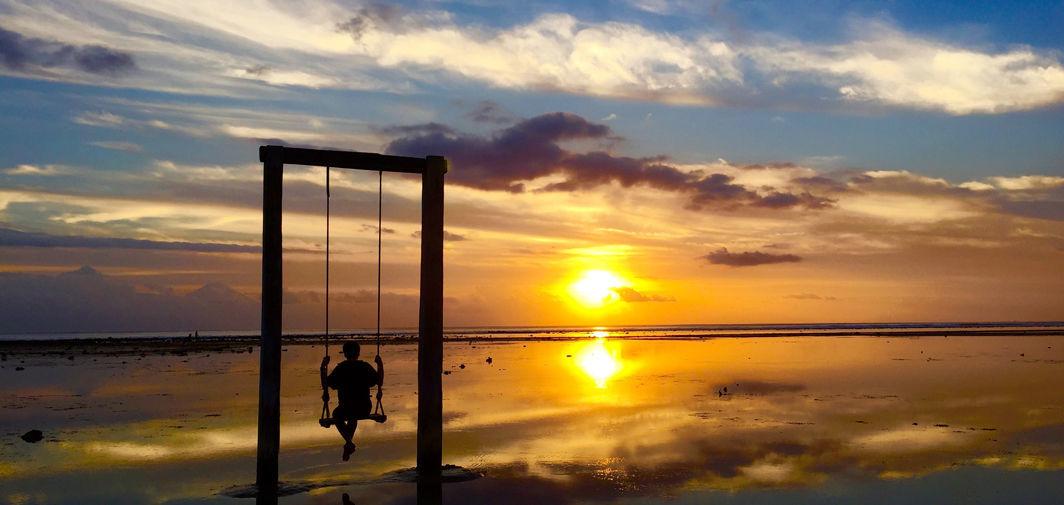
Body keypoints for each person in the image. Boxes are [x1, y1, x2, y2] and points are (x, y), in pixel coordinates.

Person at [320, 341, 383, 461]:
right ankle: (348, 444)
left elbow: (326, 384)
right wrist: (380, 365)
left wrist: (322, 367)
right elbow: (379, 381)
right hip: (364, 408)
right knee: (353, 416)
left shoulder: (341, 368)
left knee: (337, 414)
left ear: (344, 353)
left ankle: (349, 442)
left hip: (345, 408)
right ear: (358, 353)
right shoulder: (365, 367)